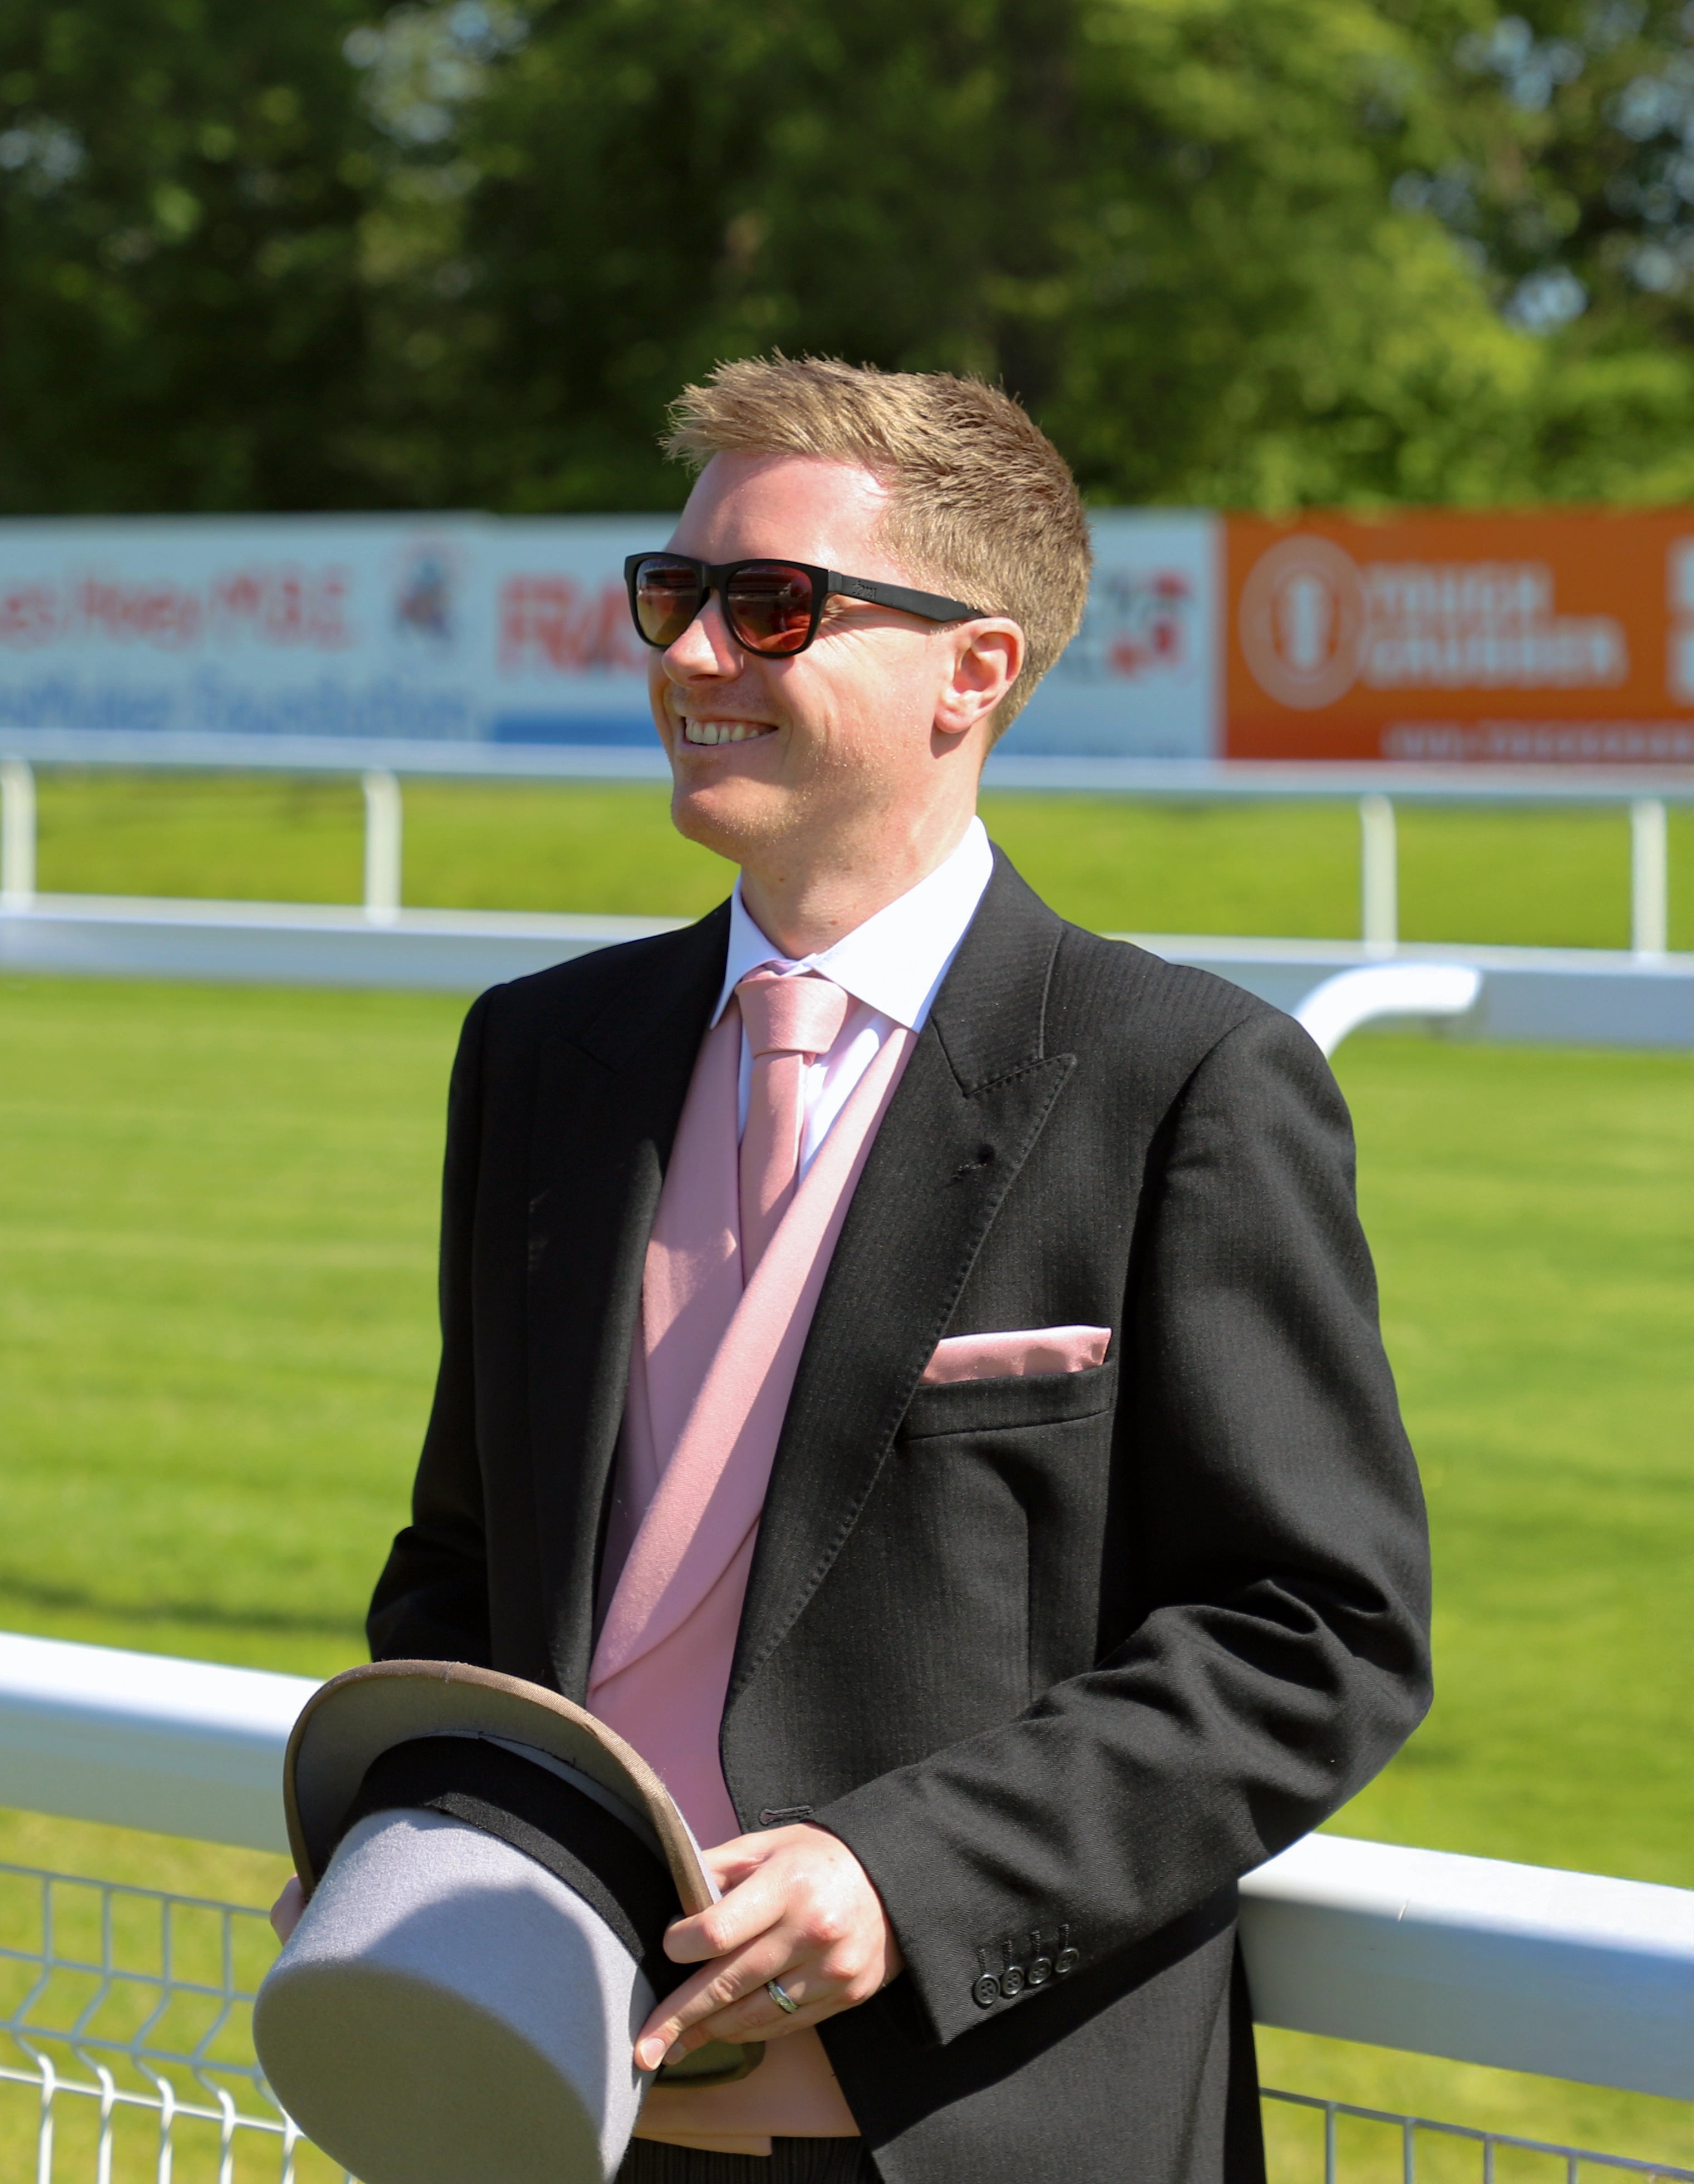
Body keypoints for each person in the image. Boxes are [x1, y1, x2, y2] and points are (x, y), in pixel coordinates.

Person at [346, 357, 1431, 2182]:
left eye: (768, 607)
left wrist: (898, 1876)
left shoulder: (1187, 1080)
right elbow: (467, 1568)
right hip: (546, 2104)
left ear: (973, 670)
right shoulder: (536, 1055)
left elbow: (1310, 1633)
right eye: (671, 595)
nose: (692, 657)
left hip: (962, 2122)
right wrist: (416, 1825)